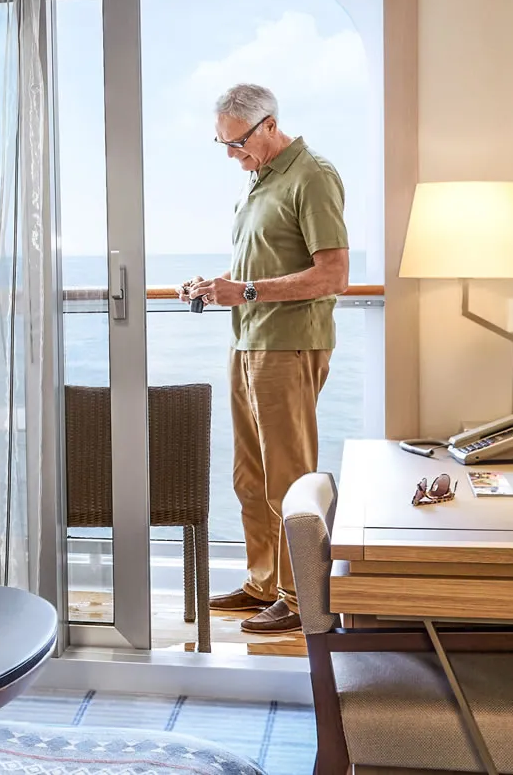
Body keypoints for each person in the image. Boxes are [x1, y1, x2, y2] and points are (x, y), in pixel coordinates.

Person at [179, 84, 348, 635]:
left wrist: (246, 291)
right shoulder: (258, 181)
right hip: (248, 341)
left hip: (287, 344)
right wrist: (215, 288)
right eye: (223, 145)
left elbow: (333, 276)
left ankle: (300, 598)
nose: (232, 155)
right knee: (249, 478)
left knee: (289, 478)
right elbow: (261, 265)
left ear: (269, 125)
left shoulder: (312, 176)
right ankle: (262, 582)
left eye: (239, 144)